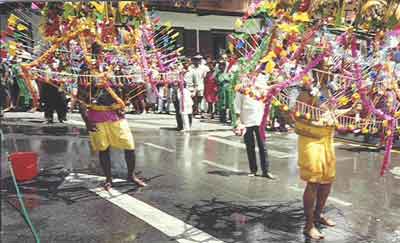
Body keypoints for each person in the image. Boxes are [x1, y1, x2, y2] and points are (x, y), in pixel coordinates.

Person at [78, 73, 146, 189]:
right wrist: (87, 121)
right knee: (103, 149)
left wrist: (121, 108)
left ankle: (131, 175)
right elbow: (82, 102)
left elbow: (122, 98)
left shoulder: (116, 79)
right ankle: (108, 178)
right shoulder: (87, 80)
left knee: (129, 146)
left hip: (117, 120)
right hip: (97, 120)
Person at [234, 77, 276, 179]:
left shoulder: (261, 85)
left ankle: (266, 171)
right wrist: (239, 121)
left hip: (259, 120)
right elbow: (237, 105)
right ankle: (253, 170)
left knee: (263, 146)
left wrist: (268, 117)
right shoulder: (242, 88)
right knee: (250, 146)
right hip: (246, 121)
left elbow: (266, 102)